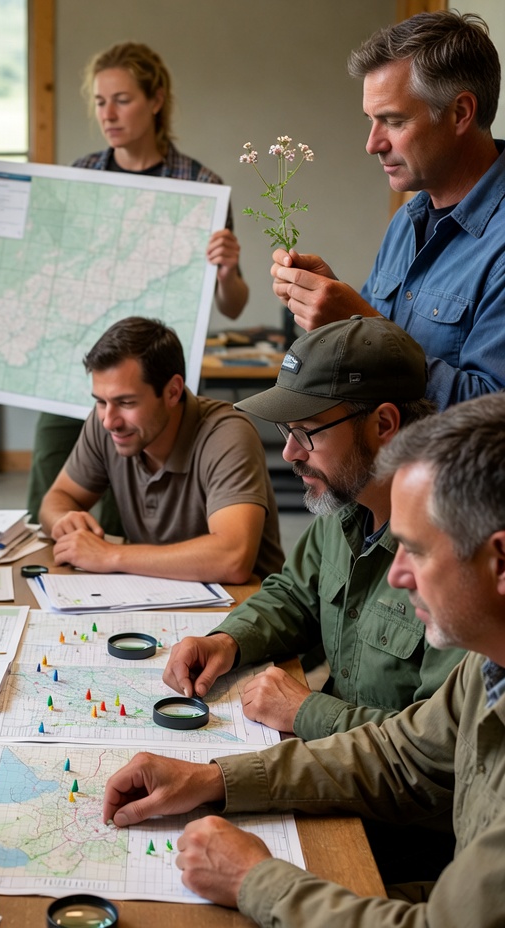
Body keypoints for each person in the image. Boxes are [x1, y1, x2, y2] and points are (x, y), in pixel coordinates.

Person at [103, 391, 505, 926]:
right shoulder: (488, 665)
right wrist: (215, 779)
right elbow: (399, 754)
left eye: (419, 550)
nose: (396, 574)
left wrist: (255, 880)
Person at [162, 315, 463, 740]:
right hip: (337, 762)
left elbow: (437, 745)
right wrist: (228, 641)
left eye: (306, 432)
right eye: (287, 431)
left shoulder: (457, 552)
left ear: (383, 425)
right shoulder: (348, 503)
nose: (288, 452)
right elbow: (295, 597)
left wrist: (308, 712)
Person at [26, 43, 250, 532]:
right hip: (71, 370)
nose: (108, 114)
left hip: (145, 380)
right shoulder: (80, 177)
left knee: (132, 513)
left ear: (155, 100)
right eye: (100, 101)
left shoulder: (200, 186)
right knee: (52, 503)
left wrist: (228, 273)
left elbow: (232, 308)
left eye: (122, 99)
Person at [271, 11, 505, 410]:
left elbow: (490, 414)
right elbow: (368, 373)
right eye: (371, 120)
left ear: (461, 113)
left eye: (393, 121)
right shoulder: (407, 221)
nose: (372, 144)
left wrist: (362, 331)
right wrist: (337, 316)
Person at [38, 316, 284, 584]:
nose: (110, 421)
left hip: (244, 608)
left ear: (172, 392)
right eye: (100, 402)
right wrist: (64, 520)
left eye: (127, 402)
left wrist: (110, 556)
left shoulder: (226, 434)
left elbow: (233, 559)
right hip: (155, 594)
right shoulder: (107, 424)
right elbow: (57, 498)